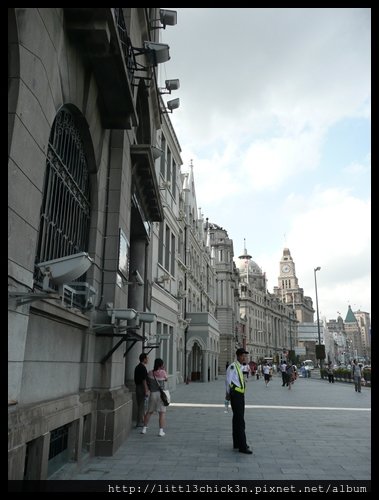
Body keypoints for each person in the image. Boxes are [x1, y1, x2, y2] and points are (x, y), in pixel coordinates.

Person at [225, 348, 252, 454]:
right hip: (236, 395)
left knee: (237, 419)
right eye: (243, 356)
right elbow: (228, 380)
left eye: (245, 356)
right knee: (240, 421)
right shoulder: (233, 366)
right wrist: (227, 394)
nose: (245, 358)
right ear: (239, 356)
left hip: (239, 395)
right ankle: (242, 446)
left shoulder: (238, 367)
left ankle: (237, 443)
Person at [141, 358, 168, 436]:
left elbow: (146, 380)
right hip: (161, 395)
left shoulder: (150, 372)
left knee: (149, 412)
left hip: (152, 394)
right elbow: (166, 379)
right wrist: (163, 370)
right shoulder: (163, 372)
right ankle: (161, 431)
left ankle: (144, 429)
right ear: (161, 365)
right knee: (162, 413)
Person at [134, 353, 149, 427]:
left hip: (137, 387)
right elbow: (144, 380)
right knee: (141, 405)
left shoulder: (137, 367)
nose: (148, 360)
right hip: (141, 387)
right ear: (144, 359)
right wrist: (146, 390)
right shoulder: (142, 368)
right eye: (147, 358)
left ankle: (141, 420)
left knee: (140, 404)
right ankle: (139, 422)